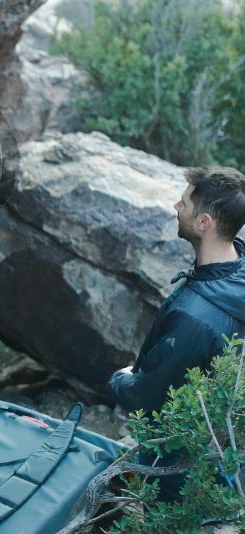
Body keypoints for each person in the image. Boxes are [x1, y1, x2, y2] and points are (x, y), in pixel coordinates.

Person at [109, 165, 245, 500]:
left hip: (179, 459)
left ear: (204, 223)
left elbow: (147, 396)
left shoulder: (194, 318)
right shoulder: (239, 265)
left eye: (184, 202)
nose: (176, 206)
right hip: (217, 440)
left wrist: (119, 378)